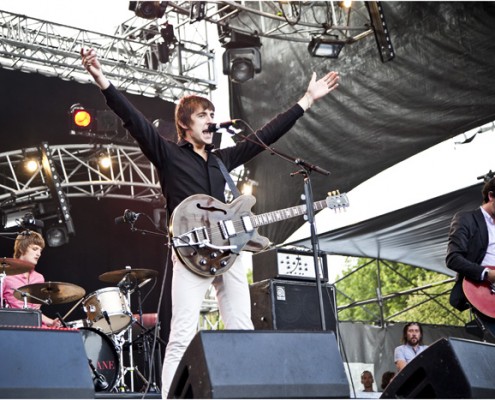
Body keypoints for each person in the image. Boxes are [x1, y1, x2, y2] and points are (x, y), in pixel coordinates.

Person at [80, 48, 340, 397]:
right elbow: (134, 121)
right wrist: (101, 79)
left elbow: (266, 135)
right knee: (182, 334)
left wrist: (307, 100)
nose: (210, 120)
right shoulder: (169, 155)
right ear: (185, 124)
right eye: (203, 115)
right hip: (189, 255)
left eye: (212, 114)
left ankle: (243, 391)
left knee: (241, 327)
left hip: (228, 253)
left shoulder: (223, 160)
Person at [446, 177, 495, 316]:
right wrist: (487, 274)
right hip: (482, 292)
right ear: (491, 196)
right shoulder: (466, 219)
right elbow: (453, 258)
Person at [2, 231, 61, 327]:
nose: (39, 254)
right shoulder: (5, 275)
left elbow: (34, 312)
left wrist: (50, 322)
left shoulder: (39, 278)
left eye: (40, 251)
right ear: (21, 249)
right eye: (35, 249)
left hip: (36, 326)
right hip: (13, 327)